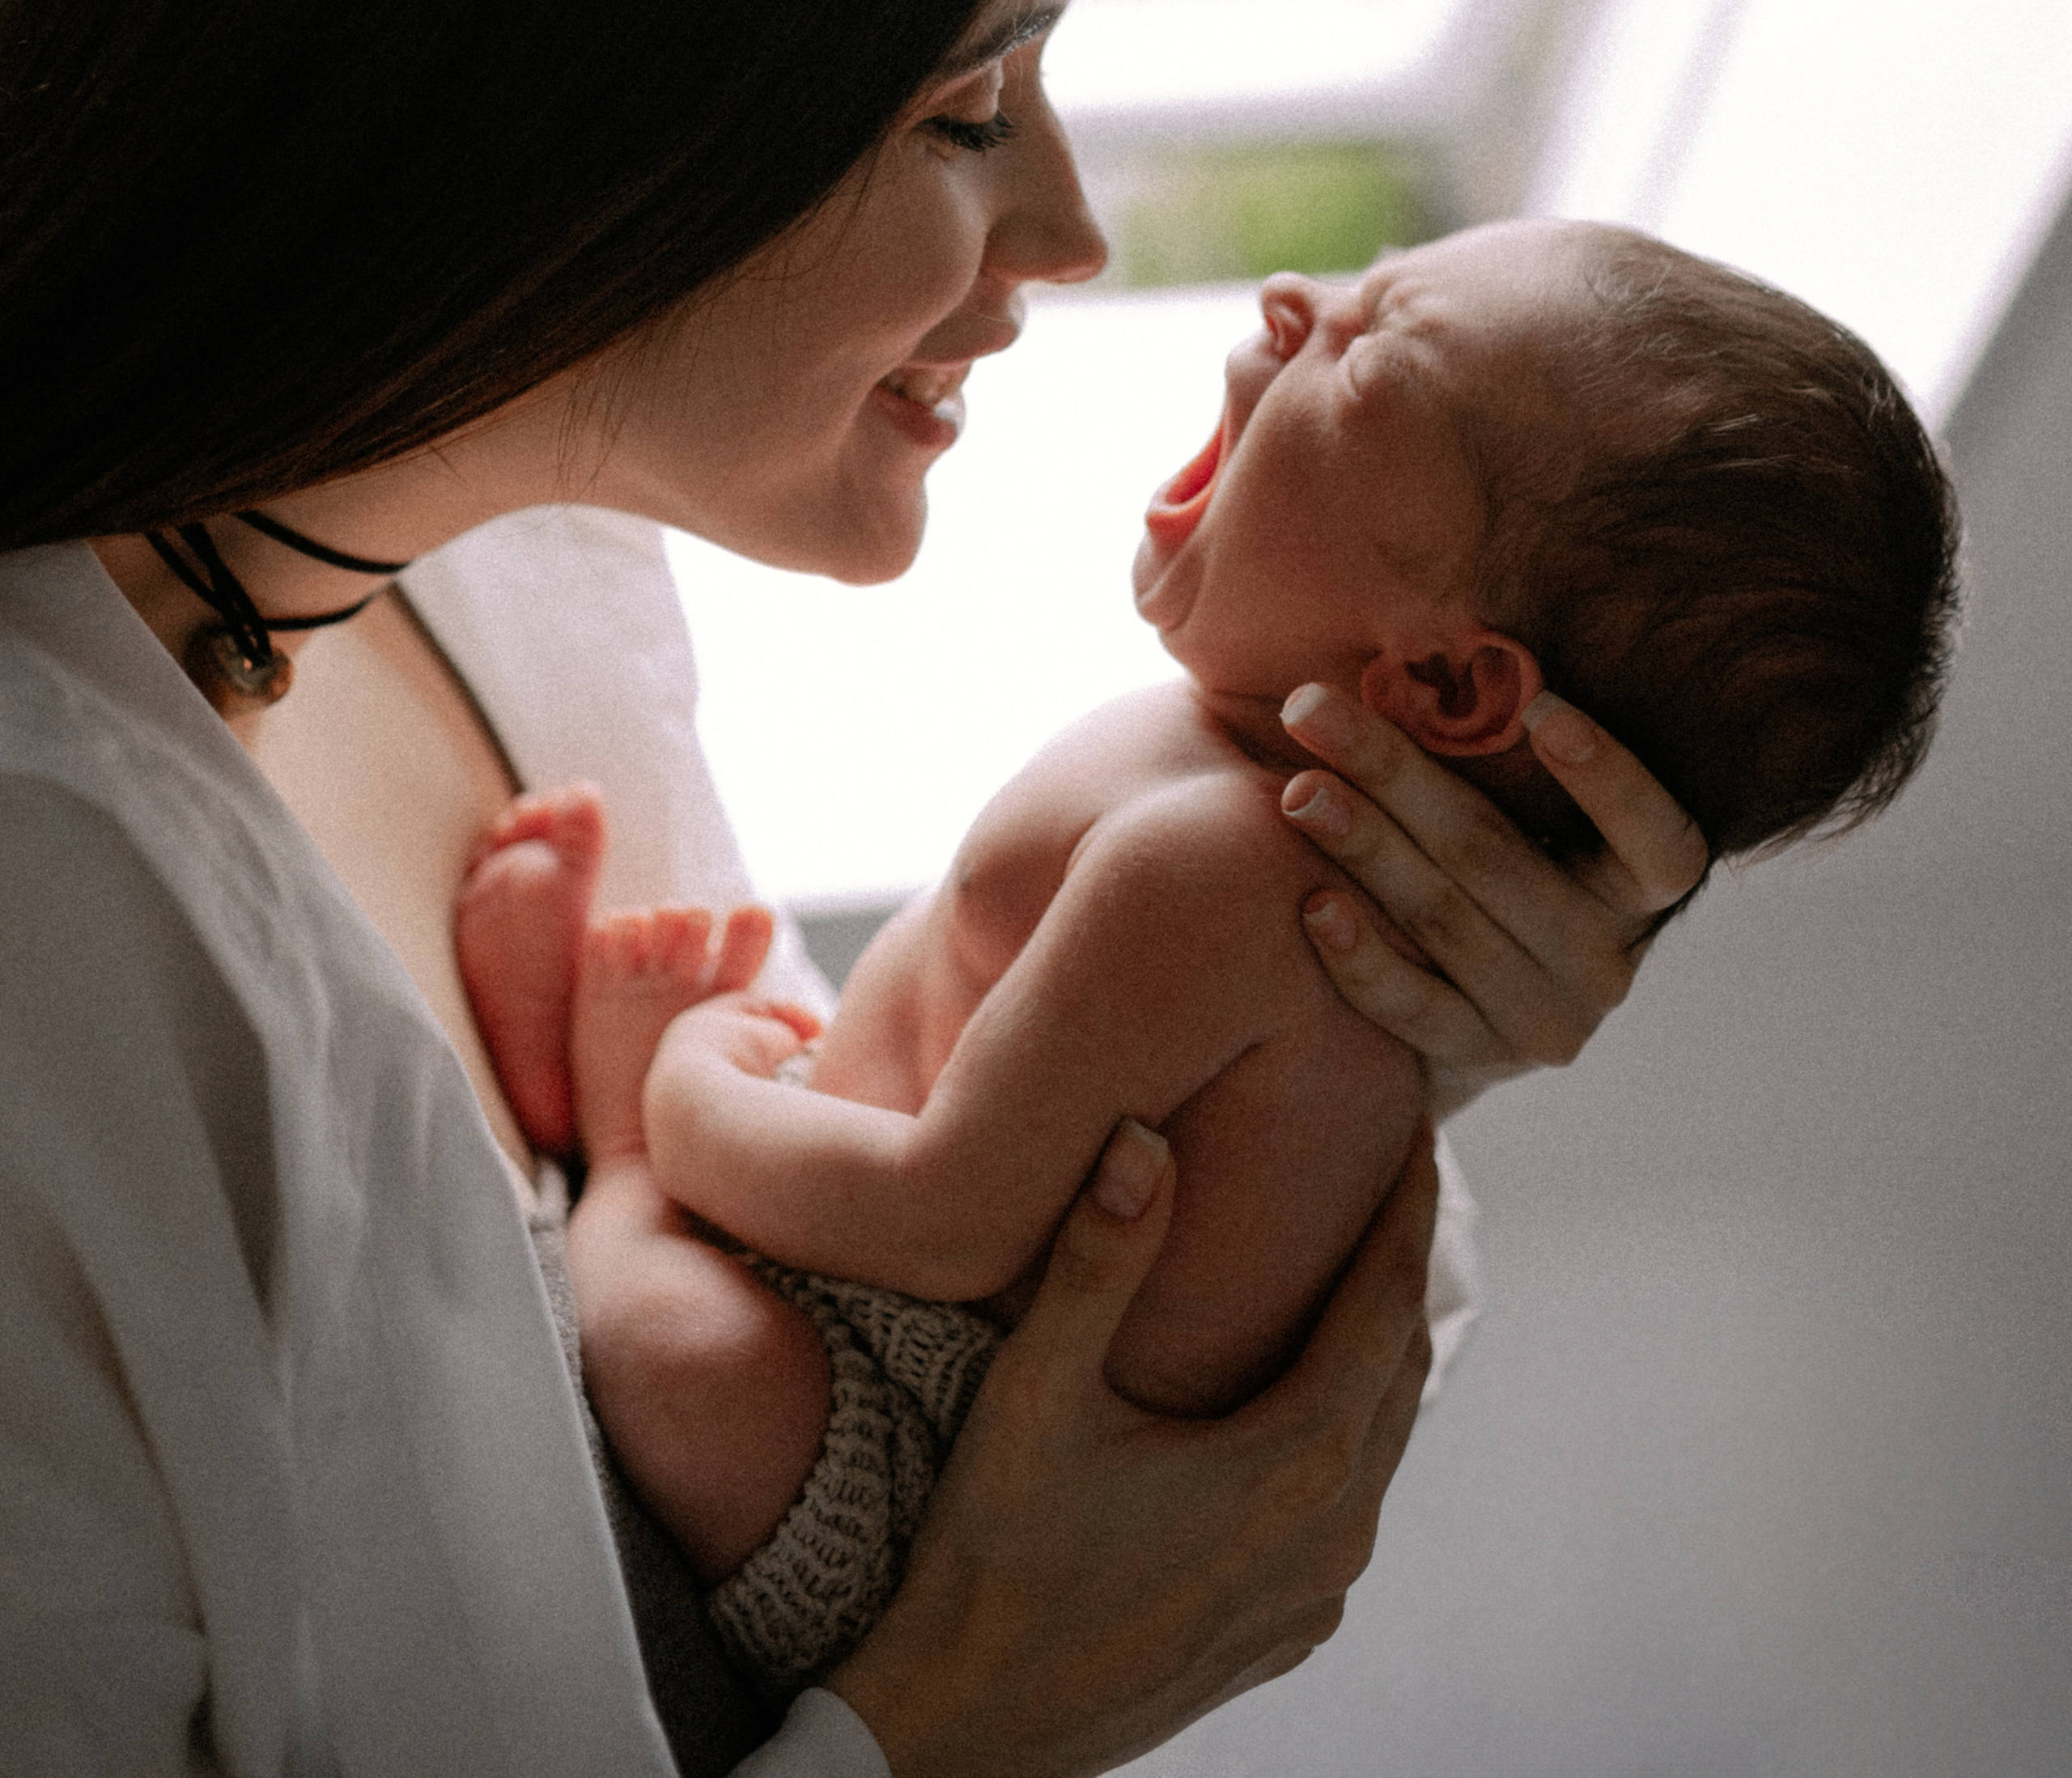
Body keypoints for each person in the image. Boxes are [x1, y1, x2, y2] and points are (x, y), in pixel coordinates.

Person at [0, 0, 1709, 1778]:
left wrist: (1378, 999)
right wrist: (955, 1728)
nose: (1075, 237)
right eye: (966, 112)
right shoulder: (44, 939)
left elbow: (957, 1240)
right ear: (567, 115)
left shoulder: (519, 576)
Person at [452, 214, 1961, 1695]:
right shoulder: (1222, 769)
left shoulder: (1232, 867)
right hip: (872, 1253)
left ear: (1443, 678)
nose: (1299, 295)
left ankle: (611, 1162)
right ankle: (617, 1123)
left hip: (914, 1455)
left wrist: (682, 1089)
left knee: (676, 1356)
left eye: (1377, 353)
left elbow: (941, 1226)